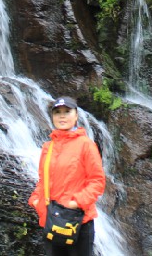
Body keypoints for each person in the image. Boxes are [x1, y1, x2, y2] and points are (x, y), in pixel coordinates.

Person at [29, 96, 106, 256]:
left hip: (77, 221)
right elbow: (43, 180)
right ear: (52, 117)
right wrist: (36, 200)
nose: (62, 116)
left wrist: (76, 202)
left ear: (76, 116)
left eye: (67, 112)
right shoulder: (47, 147)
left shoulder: (86, 145)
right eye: (57, 112)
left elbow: (97, 182)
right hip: (52, 220)